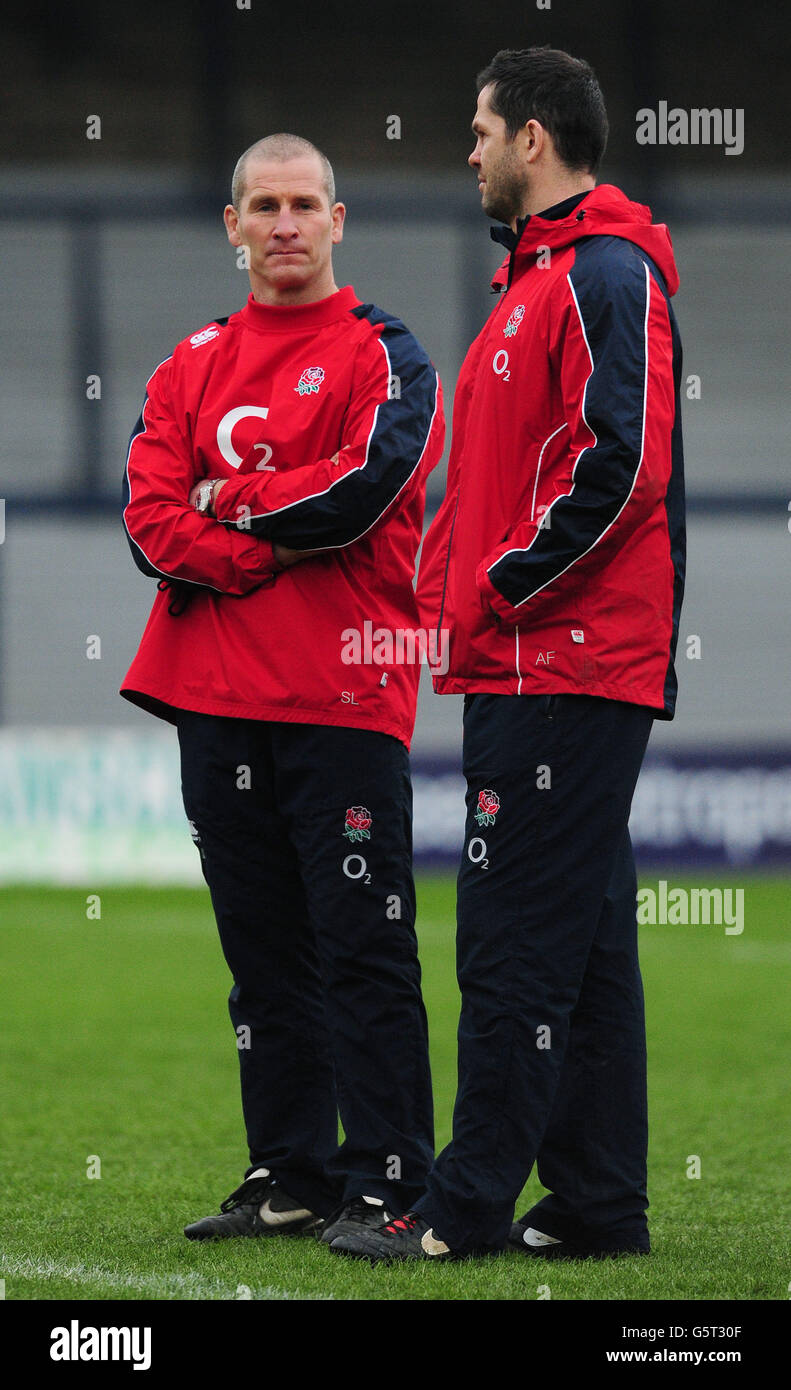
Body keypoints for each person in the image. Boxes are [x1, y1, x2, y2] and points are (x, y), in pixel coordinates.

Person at [329, 47, 685, 1263]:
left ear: (532, 139)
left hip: (561, 664)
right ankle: (596, 1204)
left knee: (509, 943)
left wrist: (492, 592)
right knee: (581, 945)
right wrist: (465, 608)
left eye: (478, 130)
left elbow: (618, 464)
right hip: (528, 663)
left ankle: (463, 1206)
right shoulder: (534, 282)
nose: (467, 150)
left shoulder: (600, 270)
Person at [120, 133, 444, 1246]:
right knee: (260, 957)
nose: (285, 223)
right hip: (215, 698)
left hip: (344, 693)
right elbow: (148, 521)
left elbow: (360, 491)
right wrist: (250, 547)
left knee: (362, 945)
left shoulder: (386, 355)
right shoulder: (186, 362)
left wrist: (231, 507)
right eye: (263, 204)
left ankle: (392, 1178)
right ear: (233, 226)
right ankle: (291, 1171)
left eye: (305, 203)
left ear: (337, 221)